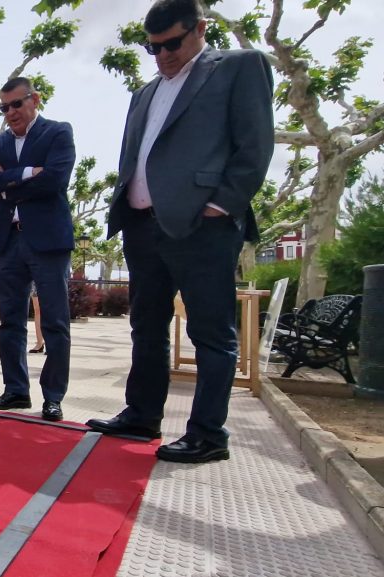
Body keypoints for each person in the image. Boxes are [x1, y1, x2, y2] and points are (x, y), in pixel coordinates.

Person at [86, 0, 274, 464]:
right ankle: (142, 413)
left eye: (173, 43)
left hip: (202, 226)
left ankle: (208, 433)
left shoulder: (238, 67)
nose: (164, 55)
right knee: (145, 325)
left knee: (210, 332)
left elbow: (255, 145)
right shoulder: (144, 93)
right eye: (154, 47)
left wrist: (221, 204)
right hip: (143, 227)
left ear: (200, 28)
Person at [0, 76, 76, 422]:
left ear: (35, 99)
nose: (10, 112)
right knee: (10, 320)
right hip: (10, 242)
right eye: (4, 107)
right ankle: (16, 391)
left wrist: (9, 182)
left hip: (48, 241)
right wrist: (28, 173)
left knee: (55, 323)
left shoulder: (58, 132)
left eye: (17, 104)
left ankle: (53, 397)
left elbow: (55, 180)